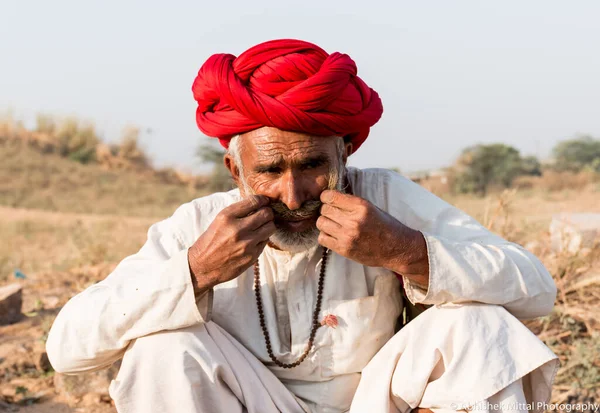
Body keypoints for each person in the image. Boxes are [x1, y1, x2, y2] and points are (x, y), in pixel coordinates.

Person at [46, 39, 559, 413]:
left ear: (347, 152)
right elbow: (66, 348)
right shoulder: (200, 225)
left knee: (477, 326)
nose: (294, 197)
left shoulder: (384, 197)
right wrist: (195, 271)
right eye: (269, 171)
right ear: (235, 170)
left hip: (376, 405)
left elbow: (537, 290)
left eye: (314, 166)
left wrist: (407, 252)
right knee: (161, 350)